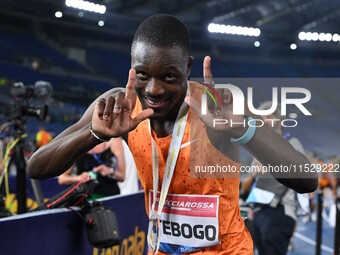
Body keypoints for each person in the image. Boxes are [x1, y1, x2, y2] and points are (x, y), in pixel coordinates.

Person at [28, 14, 318, 254]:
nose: (154, 90)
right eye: (142, 74)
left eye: (169, 76)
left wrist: (242, 128)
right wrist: (95, 133)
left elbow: (307, 180)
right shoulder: (121, 106)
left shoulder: (217, 106)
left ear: (188, 67)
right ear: (131, 65)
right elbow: (36, 167)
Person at [242, 102, 309, 255]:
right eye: (262, 117)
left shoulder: (292, 143)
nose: (265, 120)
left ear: (280, 119)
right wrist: (254, 173)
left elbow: (303, 177)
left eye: (269, 116)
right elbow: (245, 188)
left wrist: (297, 213)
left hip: (279, 211)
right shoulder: (258, 149)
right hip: (259, 210)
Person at [58, 137, 125, 198]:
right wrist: (79, 178)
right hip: (85, 199)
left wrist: (110, 171)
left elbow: (122, 176)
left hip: (110, 196)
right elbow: (62, 179)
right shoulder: (76, 144)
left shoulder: (115, 141)